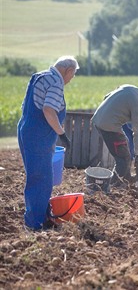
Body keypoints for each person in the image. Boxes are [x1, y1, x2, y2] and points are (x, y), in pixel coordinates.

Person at [17, 55, 79, 230]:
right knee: (41, 178)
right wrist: (62, 133)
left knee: (36, 175)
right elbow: (48, 110)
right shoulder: (55, 83)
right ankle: (35, 223)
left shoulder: (40, 76)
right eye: (72, 75)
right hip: (38, 136)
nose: (70, 80)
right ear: (68, 70)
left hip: (26, 128)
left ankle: (41, 215)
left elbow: (25, 106)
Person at [91, 80, 138, 186]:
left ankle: (126, 179)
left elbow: (107, 96)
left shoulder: (128, 87)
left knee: (124, 147)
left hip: (98, 119)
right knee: (123, 158)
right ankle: (113, 185)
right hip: (109, 126)